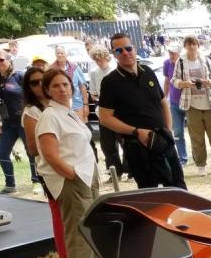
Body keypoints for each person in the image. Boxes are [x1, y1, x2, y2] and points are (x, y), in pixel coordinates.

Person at [35, 68, 111, 258]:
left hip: (87, 174)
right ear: (47, 90)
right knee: (78, 225)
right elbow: (49, 154)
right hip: (73, 178)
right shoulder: (49, 117)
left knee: (90, 222)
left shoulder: (67, 112)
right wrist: (70, 173)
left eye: (65, 84)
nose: (62, 89)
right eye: (56, 86)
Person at [97, 32, 186, 190]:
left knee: (178, 188)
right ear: (114, 54)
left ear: (134, 48)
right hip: (137, 147)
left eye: (128, 48)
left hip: (162, 140)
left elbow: (163, 101)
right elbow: (105, 118)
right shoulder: (110, 82)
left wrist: (168, 130)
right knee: (150, 193)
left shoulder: (148, 71)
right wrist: (136, 132)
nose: (125, 53)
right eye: (119, 50)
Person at [21, 65, 67, 258]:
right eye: (34, 83)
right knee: (59, 212)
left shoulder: (57, 106)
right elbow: (32, 148)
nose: (39, 86)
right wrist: (52, 147)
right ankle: (66, 253)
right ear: (28, 87)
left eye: (43, 81)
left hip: (67, 164)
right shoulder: (31, 112)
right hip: (50, 169)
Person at [173, 36, 211, 175]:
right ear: (185, 46)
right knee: (196, 138)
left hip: (209, 103)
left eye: (194, 44)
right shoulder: (180, 61)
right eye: (189, 44)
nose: (192, 47)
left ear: (198, 46)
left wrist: (209, 82)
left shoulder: (205, 60)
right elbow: (174, 79)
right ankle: (201, 165)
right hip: (192, 105)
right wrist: (185, 84)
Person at [0, 50, 35, 193]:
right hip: (8, 124)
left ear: (9, 60)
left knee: (31, 152)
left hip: (24, 121)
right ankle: (10, 184)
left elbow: (32, 95)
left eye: (1, 60)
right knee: (2, 153)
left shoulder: (19, 76)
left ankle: (37, 181)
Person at [88, 46, 125, 180]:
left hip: (119, 111)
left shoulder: (115, 70)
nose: (98, 61)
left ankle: (130, 170)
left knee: (124, 141)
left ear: (106, 57)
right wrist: (96, 95)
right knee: (107, 144)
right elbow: (93, 92)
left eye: (100, 58)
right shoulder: (94, 72)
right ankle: (114, 172)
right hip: (102, 111)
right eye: (95, 59)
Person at [162, 43, 188, 166]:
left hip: (188, 101)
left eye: (173, 53)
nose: (171, 55)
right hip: (174, 102)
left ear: (179, 53)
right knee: (177, 131)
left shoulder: (185, 63)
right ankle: (182, 158)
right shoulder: (167, 63)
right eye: (170, 53)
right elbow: (167, 81)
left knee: (194, 130)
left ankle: (197, 156)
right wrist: (163, 98)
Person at [50, 46, 89, 122]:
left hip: (77, 106)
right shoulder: (51, 69)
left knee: (80, 130)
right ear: (55, 54)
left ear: (66, 55)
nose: (60, 55)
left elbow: (82, 87)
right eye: (58, 53)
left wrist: (86, 105)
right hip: (60, 106)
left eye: (62, 53)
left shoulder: (75, 68)